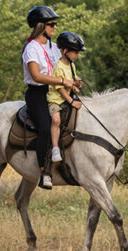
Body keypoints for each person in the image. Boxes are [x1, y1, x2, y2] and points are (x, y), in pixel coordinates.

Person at [21, 6, 76, 190]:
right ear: (40, 26)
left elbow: (61, 66)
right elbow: (36, 76)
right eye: (51, 24)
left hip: (56, 90)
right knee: (45, 127)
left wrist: (73, 80)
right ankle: (44, 171)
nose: (54, 27)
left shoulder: (53, 47)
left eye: (55, 23)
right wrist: (62, 80)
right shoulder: (31, 48)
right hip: (37, 93)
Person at [47, 31, 86, 164]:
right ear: (65, 51)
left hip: (66, 97)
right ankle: (55, 148)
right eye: (75, 52)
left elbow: (71, 81)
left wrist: (75, 84)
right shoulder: (58, 67)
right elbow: (61, 90)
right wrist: (71, 101)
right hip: (56, 100)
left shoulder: (71, 65)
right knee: (56, 120)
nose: (77, 55)